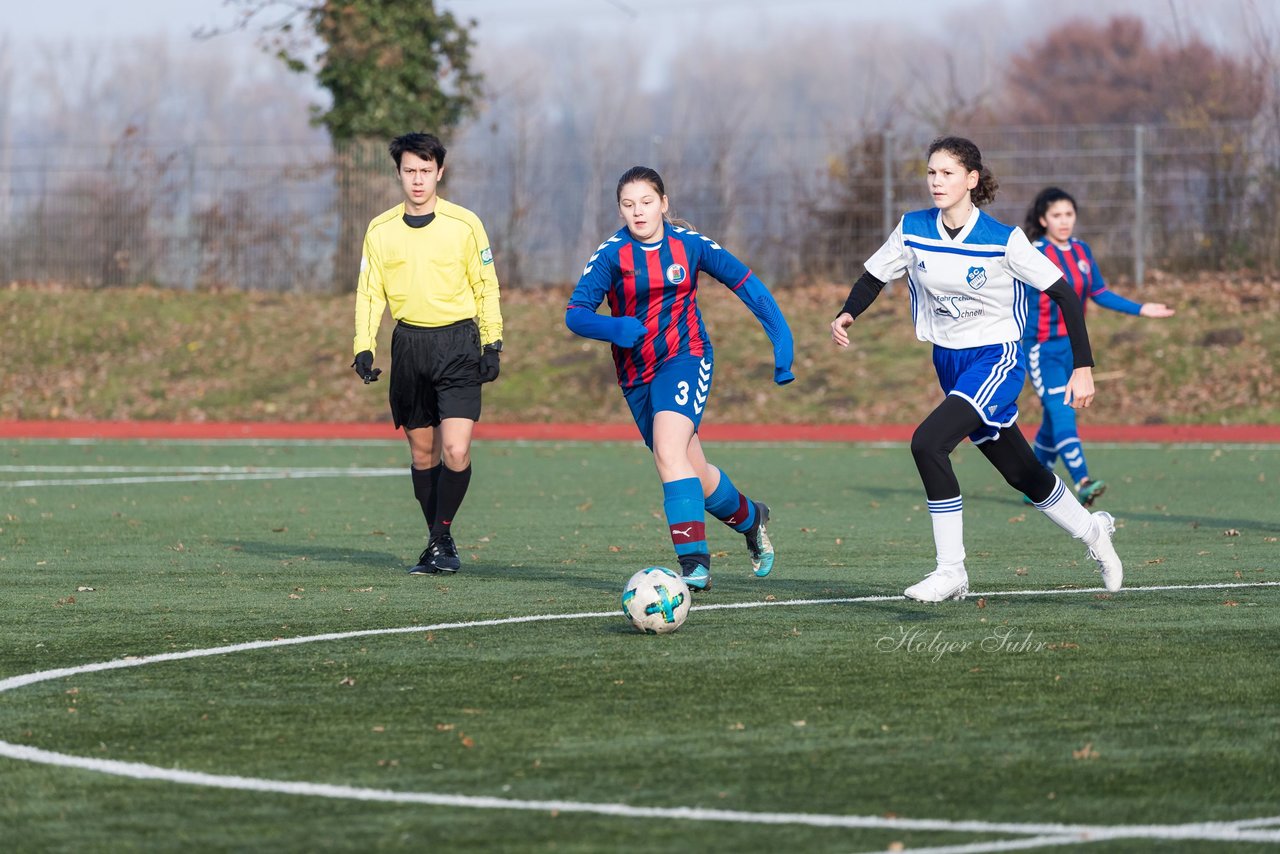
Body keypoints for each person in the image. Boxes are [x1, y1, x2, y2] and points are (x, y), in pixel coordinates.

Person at [830, 137, 1123, 602]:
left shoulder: (1004, 239)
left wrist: (1083, 367)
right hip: (949, 362)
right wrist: (848, 312)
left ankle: (952, 571)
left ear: (971, 180)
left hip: (997, 358)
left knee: (928, 443)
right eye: (931, 173)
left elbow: (1065, 294)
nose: (936, 182)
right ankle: (1094, 531)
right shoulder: (912, 228)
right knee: (1020, 471)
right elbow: (874, 276)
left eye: (947, 173)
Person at [566, 166, 795, 592]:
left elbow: (750, 287)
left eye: (647, 202)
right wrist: (615, 328)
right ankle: (752, 518)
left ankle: (694, 564)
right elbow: (575, 313)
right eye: (628, 204)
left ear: (664, 203)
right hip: (636, 376)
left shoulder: (689, 245)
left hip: (685, 358)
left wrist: (783, 348)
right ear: (620, 209)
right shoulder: (611, 254)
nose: (638, 212)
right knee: (693, 470)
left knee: (668, 452)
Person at [352, 132, 504, 576]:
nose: (418, 180)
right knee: (424, 456)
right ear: (398, 173)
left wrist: (492, 342)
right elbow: (369, 293)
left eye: (425, 171)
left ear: (440, 171)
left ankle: (441, 538)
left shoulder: (465, 224)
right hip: (410, 348)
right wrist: (364, 345)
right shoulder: (380, 230)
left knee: (455, 451)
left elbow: (485, 285)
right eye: (409, 171)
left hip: (458, 345)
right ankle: (440, 541)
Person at [1021, 186, 1175, 505]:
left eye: (1069, 214)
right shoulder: (1033, 252)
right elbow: (1013, 298)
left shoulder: (1081, 251)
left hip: (1073, 350)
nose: (1064, 221)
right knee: (1063, 411)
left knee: (1054, 418)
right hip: (1041, 349)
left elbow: (1099, 293)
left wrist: (1141, 308)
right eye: (1056, 215)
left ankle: (1031, 483)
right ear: (1043, 219)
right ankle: (1083, 481)